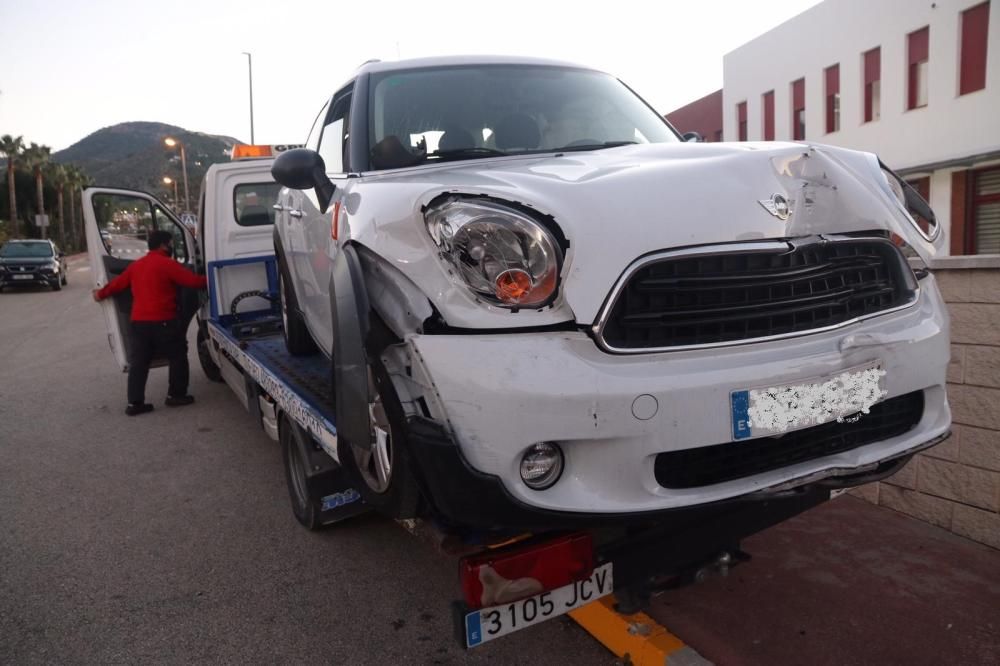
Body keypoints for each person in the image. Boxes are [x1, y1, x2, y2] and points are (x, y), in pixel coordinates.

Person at [92, 230, 208, 416]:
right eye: (170, 243)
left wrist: (99, 294)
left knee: (139, 362)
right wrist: (212, 278)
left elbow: (117, 285)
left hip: (138, 323)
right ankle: (176, 395)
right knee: (177, 355)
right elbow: (192, 282)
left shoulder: (136, 266)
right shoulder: (168, 264)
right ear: (163, 245)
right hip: (164, 322)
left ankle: (135, 404)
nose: (171, 246)